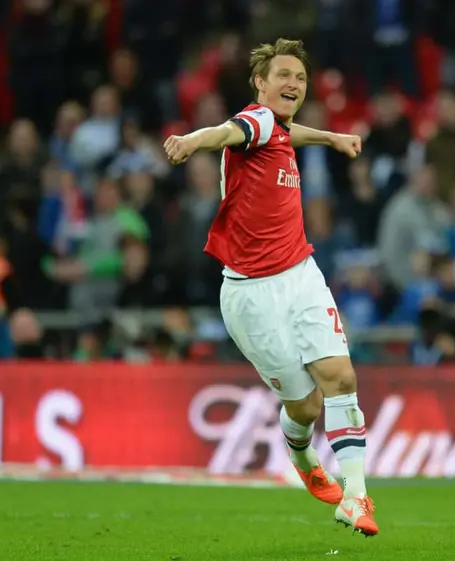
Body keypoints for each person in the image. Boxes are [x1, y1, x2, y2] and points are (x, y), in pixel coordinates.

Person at [163, 39, 377, 536]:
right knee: (305, 407)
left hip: (301, 273)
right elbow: (228, 131)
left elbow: (289, 131)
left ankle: (356, 498)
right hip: (251, 294)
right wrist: (192, 141)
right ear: (260, 83)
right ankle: (301, 454)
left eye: (300, 78)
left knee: (340, 376)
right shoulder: (256, 121)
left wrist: (331, 138)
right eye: (283, 75)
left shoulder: (276, 128)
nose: (293, 84)